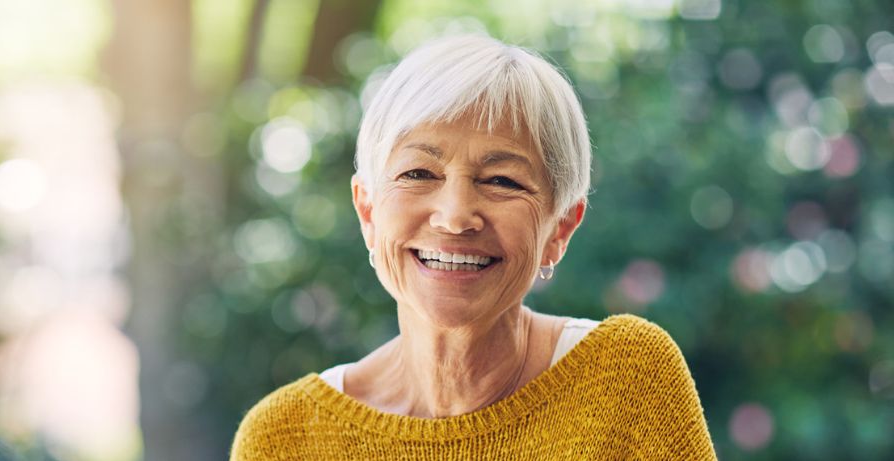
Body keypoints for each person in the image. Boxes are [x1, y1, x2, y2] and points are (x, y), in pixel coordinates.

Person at [230, 34, 716, 460]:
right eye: (419, 173)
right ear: (369, 212)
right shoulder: (283, 439)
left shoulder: (627, 382)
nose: (456, 216)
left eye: (502, 180)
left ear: (560, 229)